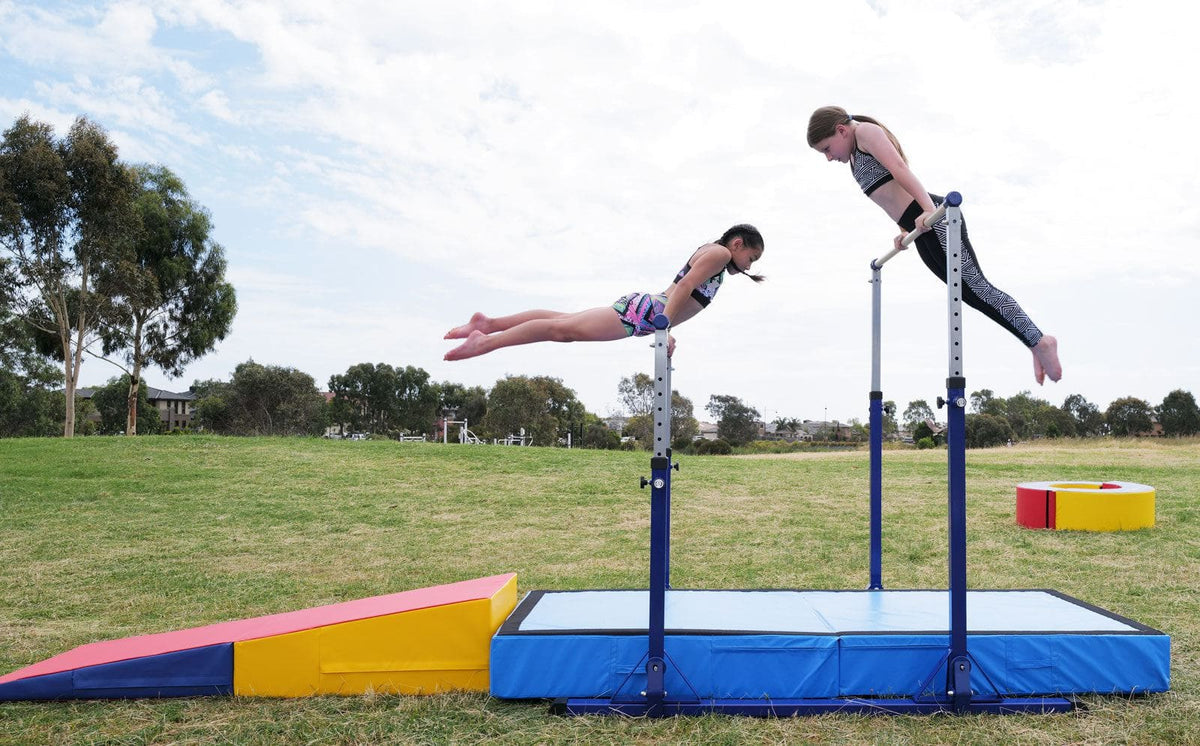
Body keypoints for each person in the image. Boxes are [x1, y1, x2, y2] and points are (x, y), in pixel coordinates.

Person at [807, 106, 1062, 384]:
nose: (829, 158)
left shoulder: (866, 133)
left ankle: (1041, 341)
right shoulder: (855, 157)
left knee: (979, 288)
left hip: (936, 219)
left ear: (841, 131)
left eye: (827, 149)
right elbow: (889, 195)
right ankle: (1033, 341)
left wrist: (930, 210)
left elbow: (899, 169)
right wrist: (903, 229)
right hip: (919, 227)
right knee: (970, 295)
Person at [444, 224, 765, 361]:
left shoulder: (719, 261)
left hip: (647, 310)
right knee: (562, 330)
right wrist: (662, 325)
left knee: (564, 322)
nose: (749, 267)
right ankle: (486, 342)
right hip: (648, 312)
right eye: (751, 258)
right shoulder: (720, 255)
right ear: (737, 244)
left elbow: (682, 293)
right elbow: (684, 287)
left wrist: (665, 328)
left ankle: (487, 324)